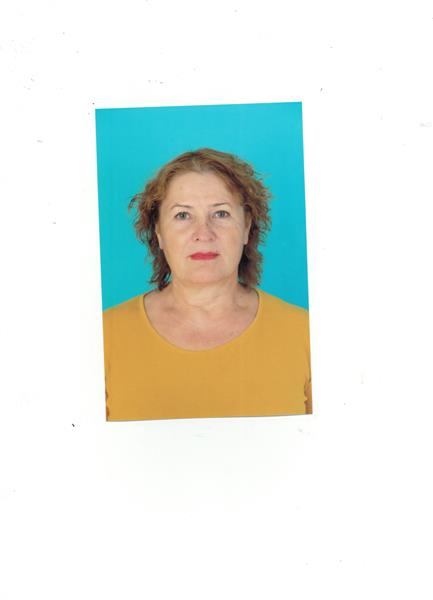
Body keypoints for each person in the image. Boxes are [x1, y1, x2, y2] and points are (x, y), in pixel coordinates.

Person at [102, 148, 312, 421]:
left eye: (221, 214)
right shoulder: (104, 336)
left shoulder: (305, 332)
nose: (203, 233)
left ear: (246, 227)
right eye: (182, 215)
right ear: (159, 232)